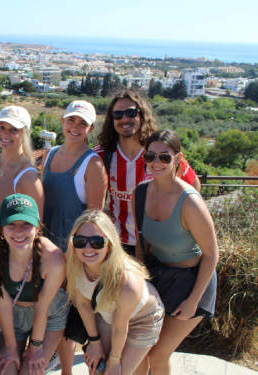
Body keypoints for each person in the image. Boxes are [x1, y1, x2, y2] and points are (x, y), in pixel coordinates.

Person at [132, 130, 218, 375]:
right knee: (139, 349)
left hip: (192, 283)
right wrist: (140, 283)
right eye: (150, 156)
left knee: (158, 354)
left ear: (178, 158)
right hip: (159, 277)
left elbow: (211, 254)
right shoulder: (139, 194)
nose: (156, 163)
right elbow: (141, 244)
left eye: (164, 157)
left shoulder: (190, 202)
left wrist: (193, 301)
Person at [40, 100, 107, 375]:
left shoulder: (92, 164)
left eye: (82, 123)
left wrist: (73, 259)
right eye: (71, 121)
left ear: (90, 128)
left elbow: (94, 221)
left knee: (70, 319)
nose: (75, 127)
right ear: (63, 122)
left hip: (71, 255)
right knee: (52, 314)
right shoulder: (50, 155)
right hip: (45, 252)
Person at [94, 89, 201, 256]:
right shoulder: (102, 154)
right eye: (118, 114)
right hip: (116, 242)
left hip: (156, 244)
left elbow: (193, 184)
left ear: (141, 116)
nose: (124, 119)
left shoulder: (158, 153)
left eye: (131, 113)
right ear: (111, 119)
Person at [66, 210, 164, 375]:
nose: (87, 248)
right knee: (96, 371)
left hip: (142, 320)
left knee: (118, 372)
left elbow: (120, 328)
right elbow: (83, 304)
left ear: (110, 244)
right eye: (80, 241)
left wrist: (114, 360)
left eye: (97, 241)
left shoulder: (127, 282)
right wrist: (94, 342)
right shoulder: (75, 266)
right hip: (107, 314)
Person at [0, 194, 69, 375]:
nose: (18, 231)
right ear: (1, 227)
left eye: (26, 224)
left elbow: (42, 307)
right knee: (6, 370)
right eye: (11, 224)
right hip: (13, 315)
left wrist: (36, 347)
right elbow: (2, 303)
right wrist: (10, 347)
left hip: (50, 315)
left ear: (37, 227)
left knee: (31, 371)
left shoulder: (54, 258)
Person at [0, 106, 44, 249]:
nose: (6, 134)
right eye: (1, 127)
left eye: (14, 129)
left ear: (25, 133)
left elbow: (37, 230)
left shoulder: (28, 177)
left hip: (6, 261)